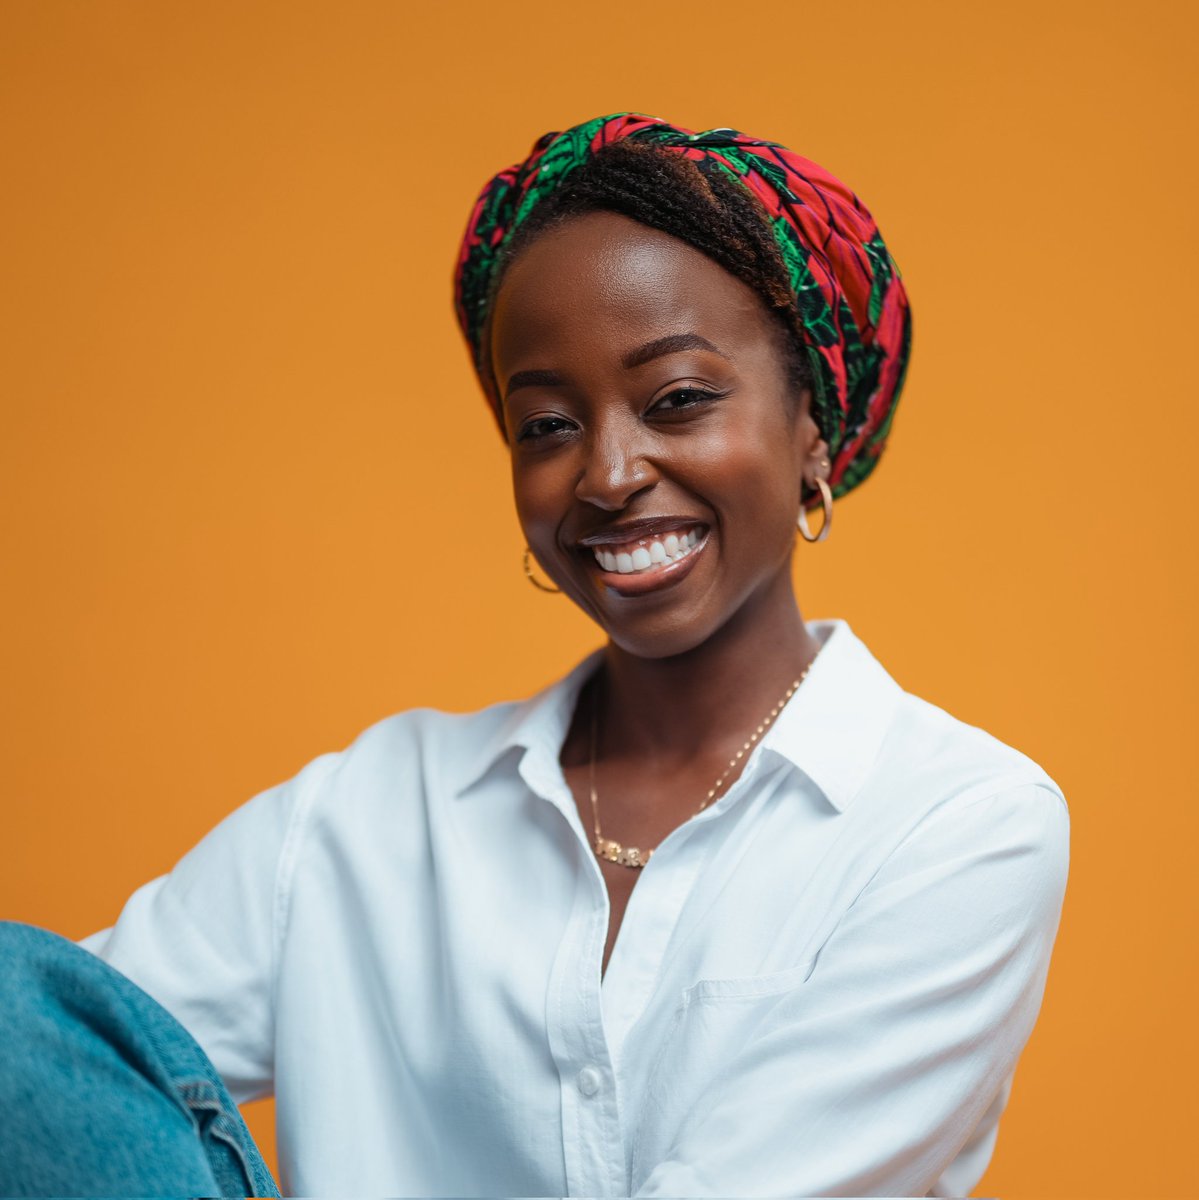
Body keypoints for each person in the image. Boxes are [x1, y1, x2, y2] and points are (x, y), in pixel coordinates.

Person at [1, 112, 1069, 1197]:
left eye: (678, 400)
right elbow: (40, 1057)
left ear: (813, 430)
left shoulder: (957, 823)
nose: (607, 474)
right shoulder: (364, 817)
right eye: (547, 425)